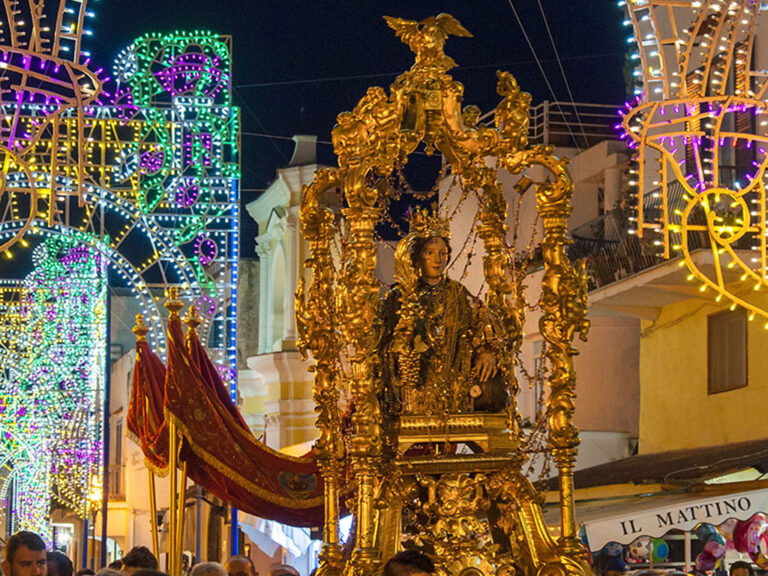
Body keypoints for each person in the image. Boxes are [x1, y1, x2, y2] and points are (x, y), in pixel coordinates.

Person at [380, 217, 507, 415]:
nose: (437, 260)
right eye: (429, 253)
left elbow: (485, 322)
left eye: (442, 253)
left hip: (455, 395)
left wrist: (487, 351)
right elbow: (383, 340)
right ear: (417, 256)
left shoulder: (458, 294)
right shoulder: (402, 296)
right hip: (412, 395)